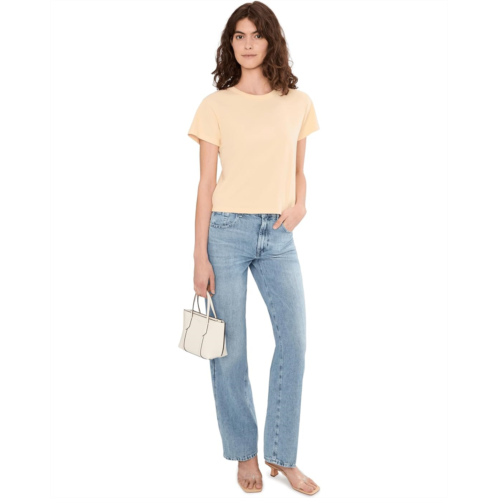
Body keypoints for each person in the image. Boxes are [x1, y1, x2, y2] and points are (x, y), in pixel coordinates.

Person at [187, 2, 320, 494]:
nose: (247, 44)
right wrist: (199, 255)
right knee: (230, 348)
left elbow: (299, 169)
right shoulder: (215, 105)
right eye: (239, 36)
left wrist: (301, 204)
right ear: (231, 43)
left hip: (279, 234)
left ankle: (282, 456)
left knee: (294, 341)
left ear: (271, 41)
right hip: (225, 232)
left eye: (256, 35)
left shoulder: (298, 102)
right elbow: (205, 185)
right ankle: (244, 454)